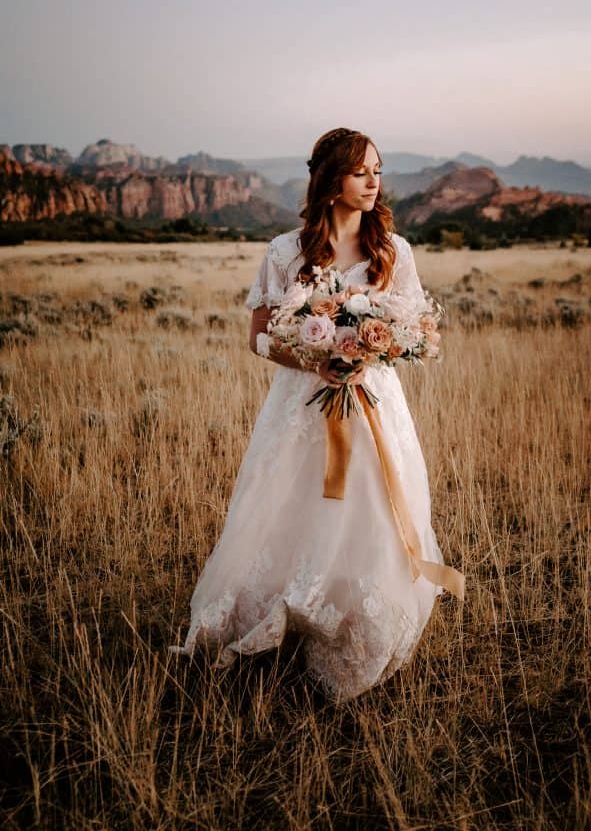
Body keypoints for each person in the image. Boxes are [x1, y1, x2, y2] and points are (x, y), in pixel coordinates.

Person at [169, 128, 465, 701]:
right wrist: (314, 358)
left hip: (376, 405)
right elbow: (258, 338)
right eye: (361, 172)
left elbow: (415, 330)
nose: (374, 182)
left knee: (372, 507)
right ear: (331, 182)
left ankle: (358, 627)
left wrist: (378, 347)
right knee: (292, 503)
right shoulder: (286, 252)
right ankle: (284, 614)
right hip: (303, 407)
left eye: (378, 170)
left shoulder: (393, 252)